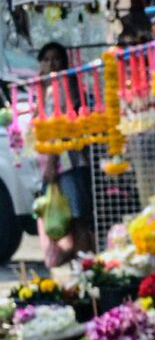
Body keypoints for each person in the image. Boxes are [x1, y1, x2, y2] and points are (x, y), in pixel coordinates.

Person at [35, 41, 94, 260]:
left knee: (77, 217)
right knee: (64, 217)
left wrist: (51, 163)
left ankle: (87, 264)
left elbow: (59, 127)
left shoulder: (64, 87)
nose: (51, 63)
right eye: (46, 59)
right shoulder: (45, 88)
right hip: (54, 163)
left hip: (68, 162)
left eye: (56, 59)